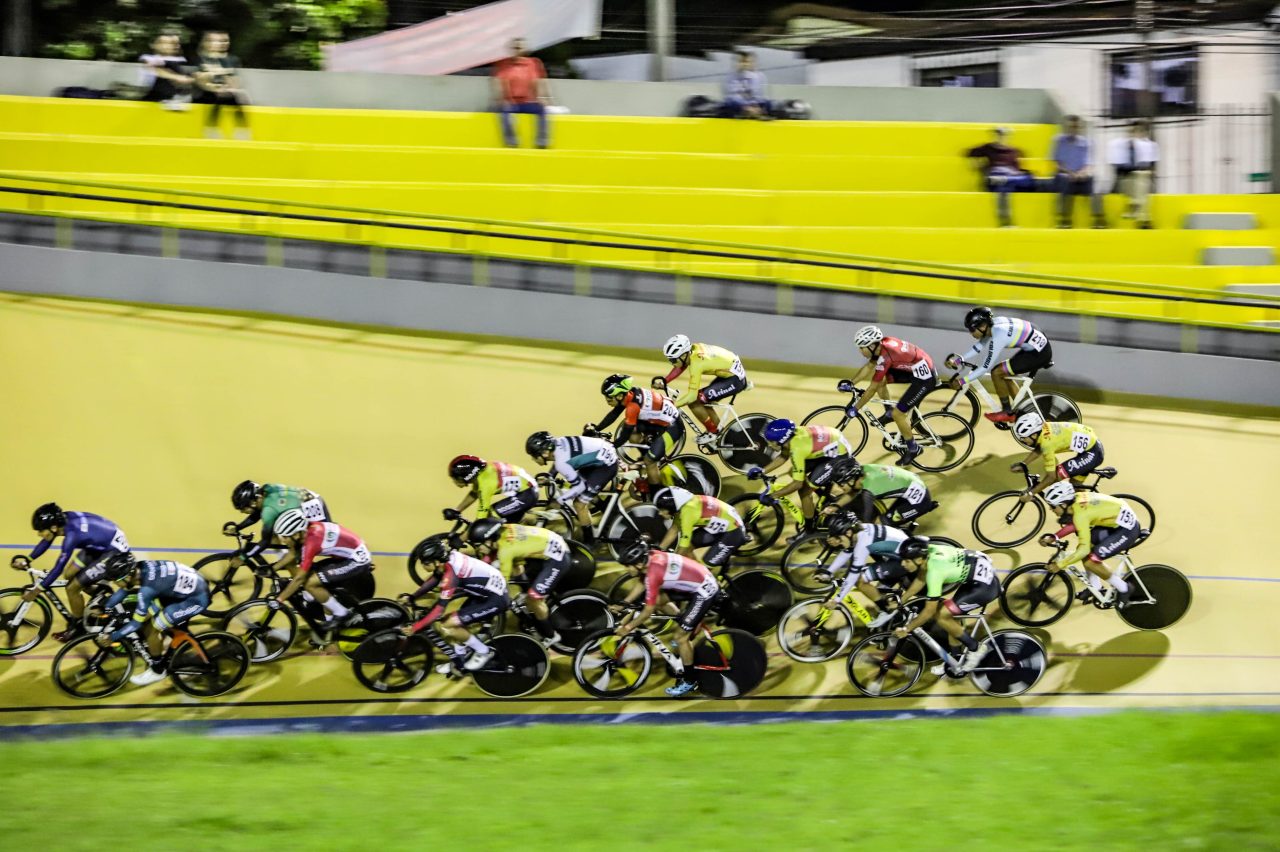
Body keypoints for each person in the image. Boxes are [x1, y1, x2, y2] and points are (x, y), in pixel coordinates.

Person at [613, 539, 721, 697]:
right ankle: (687, 622)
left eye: (627, 566)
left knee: (680, 637)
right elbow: (642, 584)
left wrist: (628, 627)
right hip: (698, 581)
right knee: (657, 601)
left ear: (639, 564)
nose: (626, 569)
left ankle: (690, 681)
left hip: (704, 592)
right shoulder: (651, 559)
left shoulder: (653, 573)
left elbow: (647, 611)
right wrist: (624, 603)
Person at [15, 503, 131, 641]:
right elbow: (47, 540)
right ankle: (98, 593)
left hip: (113, 552)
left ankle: (78, 627)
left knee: (71, 588)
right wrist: (28, 559)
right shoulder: (62, 522)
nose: (40, 534)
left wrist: (36, 591)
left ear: (53, 527)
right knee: (69, 574)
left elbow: (57, 568)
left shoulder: (72, 536)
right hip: (98, 544)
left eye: (41, 531)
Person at [885, 537, 1000, 676]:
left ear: (919, 560)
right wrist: (901, 601)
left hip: (985, 587)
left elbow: (928, 612)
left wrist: (907, 629)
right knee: (950, 616)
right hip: (975, 575)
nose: (903, 564)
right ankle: (955, 661)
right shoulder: (928, 553)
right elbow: (920, 579)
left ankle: (976, 648)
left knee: (941, 615)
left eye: (907, 560)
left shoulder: (935, 572)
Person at [95, 554, 210, 686]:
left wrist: (113, 637)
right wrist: (105, 607)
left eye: (116, 580)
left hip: (194, 599)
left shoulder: (146, 590)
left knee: (152, 628)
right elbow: (125, 590)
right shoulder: (140, 568)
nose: (115, 583)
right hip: (179, 589)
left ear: (127, 577)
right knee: (149, 622)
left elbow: (136, 624)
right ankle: (164, 648)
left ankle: (158, 670)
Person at [401, 536, 510, 673]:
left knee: (448, 624)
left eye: (425, 562)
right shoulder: (446, 560)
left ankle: (485, 652)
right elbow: (435, 578)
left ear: (436, 561)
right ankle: (460, 660)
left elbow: (438, 611)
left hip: (495, 599)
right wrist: (413, 596)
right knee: (454, 624)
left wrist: (416, 627)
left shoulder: (451, 575)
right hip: (486, 592)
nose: (423, 566)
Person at [266, 509, 373, 631]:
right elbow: (292, 554)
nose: (282, 540)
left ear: (296, 534)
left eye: (285, 537)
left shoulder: (312, 541)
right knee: (316, 581)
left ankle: (342, 613)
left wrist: (280, 600)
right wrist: (271, 569)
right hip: (347, 556)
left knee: (310, 583)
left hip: (357, 560)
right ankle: (329, 630)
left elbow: (300, 578)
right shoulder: (305, 532)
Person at [845, 325, 937, 465]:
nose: (860, 350)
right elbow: (869, 367)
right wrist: (851, 383)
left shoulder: (886, 356)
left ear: (872, 346)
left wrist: (856, 408)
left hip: (925, 378)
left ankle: (913, 449)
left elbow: (872, 389)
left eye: (861, 347)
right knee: (881, 381)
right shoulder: (881, 347)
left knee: (898, 414)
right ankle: (888, 413)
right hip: (913, 369)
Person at [467, 517, 567, 645]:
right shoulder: (501, 532)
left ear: (488, 540)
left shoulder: (505, 551)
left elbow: (501, 582)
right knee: (516, 567)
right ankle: (526, 591)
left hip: (558, 558)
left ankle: (551, 636)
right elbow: (488, 560)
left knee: (533, 599)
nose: (477, 550)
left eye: (478, 545)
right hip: (547, 544)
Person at [947, 306, 1053, 422]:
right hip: (1036, 346)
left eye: (972, 330)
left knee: (997, 372)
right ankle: (1021, 410)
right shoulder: (993, 325)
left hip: (1039, 353)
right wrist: (959, 360)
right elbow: (979, 346)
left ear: (982, 327)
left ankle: (1007, 411)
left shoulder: (999, 335)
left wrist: (962, 381)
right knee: (1005, 373)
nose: (971, 333)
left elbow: (984, 368)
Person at [1039, 482, 1138, 604]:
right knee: (1086, 552)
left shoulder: (1081, 514)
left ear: (1063, 504)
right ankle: (1095, 588)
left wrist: (1060, 565)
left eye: (1053, 506)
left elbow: (1083, 545)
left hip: (1127, 530)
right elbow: (1075, 524)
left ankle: (1125, 588)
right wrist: (1055, 536)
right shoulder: (1076, 503)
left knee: (1091, 560)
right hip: (1114, 522)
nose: (1051, 509)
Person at [819, 511, 911, 628]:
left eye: (838, 538)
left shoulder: (863, 542)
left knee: (860, 580)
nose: (837, 542)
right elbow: (846, 552)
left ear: (848, 532)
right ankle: (887, 604)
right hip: (895, 555)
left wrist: (836, 600)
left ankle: (888, 610)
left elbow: (854, 574)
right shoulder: (858, 533)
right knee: (873, 586)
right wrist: (828, 572)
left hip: (902, 562)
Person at [755, 419, 852, 529]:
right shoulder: (791, 438)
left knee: (804, 491)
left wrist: (773, 496)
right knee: (793, 471)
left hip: (838, 456)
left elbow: (797, 484)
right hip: (829, 446)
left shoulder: (797, 449)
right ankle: (824, 494)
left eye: (770, 441)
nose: (768, 444)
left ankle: (810, 528)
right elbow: (783, 455)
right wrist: (762, 471)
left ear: (781, 440)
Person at [592, 374, 682, 490]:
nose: (607, 401)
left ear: (619, 396)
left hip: (673, 427)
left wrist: (612, 446)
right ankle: (646, 454)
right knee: (633, 432)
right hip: (658, 421)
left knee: (649, 461)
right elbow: (614, 414)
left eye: (609, 398)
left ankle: (657, 494)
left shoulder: (633, 407)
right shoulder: (630, 394)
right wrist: (597, 428)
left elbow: (624, 435)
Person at [525, 431, 618, 542]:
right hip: (600, 456)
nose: (533, 459)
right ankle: (606, 508)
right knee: (573, 487)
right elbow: (559, 461)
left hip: (606, 466)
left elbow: (580, 487)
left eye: (534, 456)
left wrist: (559, 501)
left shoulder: (561, 463)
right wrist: (550, 476)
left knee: (579, 504)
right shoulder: (559, 442)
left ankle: (590, 541)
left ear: (544, 453)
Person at [660, 334, 749, 447]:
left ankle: (713, 432)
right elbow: (682, 365)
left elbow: (691, 396)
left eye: (673, 359)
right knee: (705, 400)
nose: (672, 363)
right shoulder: (693, 350)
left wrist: (673, 405)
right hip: (731, 372)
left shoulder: (697, 364)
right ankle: (719, 434)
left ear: (683, 355)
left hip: (735, 379)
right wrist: (665, 380)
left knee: (695, 400)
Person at [225, 480, 330, 567]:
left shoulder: (268, 510)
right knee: (278, 532)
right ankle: (287, 561)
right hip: (304, 499)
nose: (242, 512)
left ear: (253, 502)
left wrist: (244, 557)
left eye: (243, 508)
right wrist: (239, 527)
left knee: (313, 544)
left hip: (311, 505)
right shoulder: (263, 492)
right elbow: (256, 513)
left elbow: (264, 542)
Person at [1012, 412, 1103, 501]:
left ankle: (1085, 507)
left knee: (1056, 476)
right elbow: (1040, 448)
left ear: (1034, 435)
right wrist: (1024, 464)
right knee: (1075, 485)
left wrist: (1031, 493)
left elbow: (1051, 477)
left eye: (1023, 438)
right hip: (1091, 445)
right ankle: (1086, 507)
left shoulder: (1047, 444)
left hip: (1092, 452)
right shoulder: (1043, 429)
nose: (1022, 441)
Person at [654, 486, 748, 572]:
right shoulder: (683, 506)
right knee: (690, 546)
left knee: (705, 569)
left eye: (662, 509)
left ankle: (707, 581)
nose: (660, 513)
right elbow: (674, 530)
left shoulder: (688, 513)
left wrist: (672, 565)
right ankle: (696, 570)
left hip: (734, 533)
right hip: (718, 528)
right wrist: (658, 550)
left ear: (672, 506)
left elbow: (683, 546)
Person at [824, 458, 934, 526]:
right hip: (913, 486)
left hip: (920, 501)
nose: (839, 488)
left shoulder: (869, 490)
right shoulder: (862, 471)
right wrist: (836, 506)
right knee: (889, 518)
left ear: (852, 480)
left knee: (879, 523)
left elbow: (867, 522)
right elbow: (853, 492)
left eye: (841, 484)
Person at [965, 127, 1036, 227]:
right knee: (1003, 188)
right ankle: (1006, 221)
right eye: (998, 135)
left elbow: (1018, 168)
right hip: (996, 174)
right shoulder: (988, 148)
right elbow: (968, 153)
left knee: (1025, 179)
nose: (1001, 137)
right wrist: (977, 166)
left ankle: (1006, 180)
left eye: (1003, 135)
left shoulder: (1014, 151)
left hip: (1010, 177)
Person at [492, 37, 551, 149]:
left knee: (542, 109)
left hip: (527, 102)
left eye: (519, 47)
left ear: (524, 49)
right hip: (510, 102)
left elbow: (537, 82)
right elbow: (498, 82)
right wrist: (500, 98)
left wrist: (542, 97)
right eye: (514, 47)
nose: (516, 50)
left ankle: (542, 142)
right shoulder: (503, 64)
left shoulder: (533, 63)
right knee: (504, 111)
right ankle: (511, 142)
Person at [444, 455, 538, 523]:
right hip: (525, 489)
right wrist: (458, 510)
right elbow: (474, 494)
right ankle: (522, 520)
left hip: (527, 494)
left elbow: (482, 515)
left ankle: (531, 520)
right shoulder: (481, 474)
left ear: (467, 476)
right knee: (496, 517)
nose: (455, 482)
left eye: (456, 478)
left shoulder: (485, 484)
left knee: (492, 515)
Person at [192, 31, 250, 140]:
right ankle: (211, 128)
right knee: (220, 96)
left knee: (234, 97)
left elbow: (233, 79)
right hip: (206, 93)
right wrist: (214, 86)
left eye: (225, 41)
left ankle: (241, 130)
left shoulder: (231, 59)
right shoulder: (200, 58)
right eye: (218, 41)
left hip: (223, 92)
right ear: (206, 43)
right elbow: (200, 80)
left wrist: (231, 87)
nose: (222, 44)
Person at [1051, 115, 1105, 229]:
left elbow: (1090, 164)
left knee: (1095, 184)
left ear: (1080, 128)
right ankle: (1064, 219)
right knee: (1065, 180)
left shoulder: (1087, 142)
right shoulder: (1058, 141)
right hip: (1064, 174)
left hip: (1081, 175)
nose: (1073, 129)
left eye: (1076, 127)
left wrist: (1082, 173)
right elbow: (1056, 163)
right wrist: (1070, 173)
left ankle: (1098, 219)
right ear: (1066, 127)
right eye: (1070, 127)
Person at [1108, 119, 1159, 229]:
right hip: (1124, 181)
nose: (1135, 134)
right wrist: (1135, 169)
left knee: (1142, 180)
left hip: (1141, 180)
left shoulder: (1146, 147)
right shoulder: (1119, 146)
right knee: (1141, 182)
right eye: (1132, 131)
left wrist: (1141, 170)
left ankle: (1134, 204)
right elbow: (1118, 168)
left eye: (1138, 131)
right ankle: (1145, 220)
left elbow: (1150, 167)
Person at [137, 32, 192, 108]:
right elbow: (153, 69)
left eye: (170, 43)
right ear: (153, 45)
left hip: (175, 102)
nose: (167, 46)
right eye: (163, 43)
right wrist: (176, 77)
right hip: (152, 101)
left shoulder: (180, 60)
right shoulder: (148, 58)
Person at [722, 50, 772, 120]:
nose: (743, 64)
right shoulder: (728, 78)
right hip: (736, 112)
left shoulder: (755, 77)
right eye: (740, 61)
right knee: (732, 102)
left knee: (768, 103)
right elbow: (732, 96)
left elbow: (757, 95)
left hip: (754, 110)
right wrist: (746, 107)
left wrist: (755, 106)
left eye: (745, 62)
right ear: (733, 63)